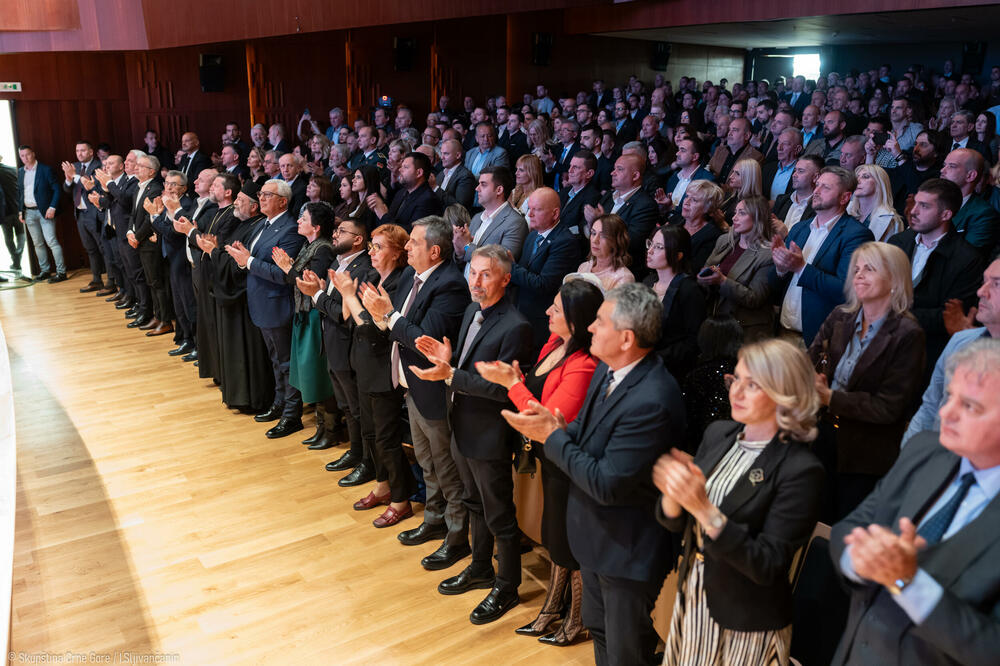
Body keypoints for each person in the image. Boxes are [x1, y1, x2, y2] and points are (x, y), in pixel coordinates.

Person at [502, 282, 685, 666]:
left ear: (626, 338)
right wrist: (550, 424)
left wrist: (550, 436)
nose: (590, 329)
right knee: (600, 633)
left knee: (624, 652)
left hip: (627, 552)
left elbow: (606, 482)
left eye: (600, 322)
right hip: (596, 541)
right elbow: (581, 431)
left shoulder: (652, 398)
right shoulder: (609, 369)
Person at [830, 338, 1000, 666]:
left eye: (970, 406)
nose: (945, 413)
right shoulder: (924, 449)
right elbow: (848, 528)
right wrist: (860, 559)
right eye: (949, 396)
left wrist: (909, 583)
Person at [655, 338, 824, 666]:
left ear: (784, 394)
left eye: (753, 385)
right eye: (736, 379)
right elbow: (680, 523)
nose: (736, 392)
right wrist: (674, 498)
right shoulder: (720, 434)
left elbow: (768, 564)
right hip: (695, 597)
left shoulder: (801, 469)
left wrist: (704, 508)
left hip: (747, 619)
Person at [408, 244, 534, 624]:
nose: (475, 281)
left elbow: (504, 389)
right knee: (474, 503)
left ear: (505, 279)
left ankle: (507, 586)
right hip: (462, 422)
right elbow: (463, 368)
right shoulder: (469, 310)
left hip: (490, 432)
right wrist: (449, 364)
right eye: (473, 272)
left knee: (499, 514)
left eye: (485, 274)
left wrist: (451, 374)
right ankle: (480, 567)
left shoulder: (517, 326)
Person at [478, 278, 602, 645]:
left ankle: (575, 618)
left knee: (567, 543)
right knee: (553, 537)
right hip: (550, 460)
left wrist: (511, 383)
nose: (547, 312)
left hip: (568, 464)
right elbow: (532, 391)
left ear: (578, 321)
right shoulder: (556, 343)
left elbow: (544, 415)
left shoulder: (585, 363)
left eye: (557, 310)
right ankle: (551, 608)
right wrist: (516, 381)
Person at [359, 216, 471, 569]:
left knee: (445, 468)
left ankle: (456, 539)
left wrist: (388, 316)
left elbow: (427, 342)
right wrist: (384, 317)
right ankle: (434, 520)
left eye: (414, 243)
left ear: (434, 250)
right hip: (413, 388)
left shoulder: (449, 285)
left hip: (433, 391)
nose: (407, 247)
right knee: (427, 464)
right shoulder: (417, 278)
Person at [808, 242, 926, 520]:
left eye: (869, 269)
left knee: (837, 537)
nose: (858, 275)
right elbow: (807, 363)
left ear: (895, 280)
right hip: (819, 437)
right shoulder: (841, 316)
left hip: (864, 457)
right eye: (856, 269)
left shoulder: (908, 334)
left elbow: (889, 407)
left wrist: (830, 398)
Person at [326, 224, 417, 527]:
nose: (372, 252)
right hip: (363, 363)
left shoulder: (400, 283)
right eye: (372, 246)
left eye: (379, 247)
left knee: (387, 438)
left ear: (397, 252)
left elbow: (372, 326)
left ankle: (401, 500)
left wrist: (349, 294)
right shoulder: (375, 277)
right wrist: (350, 297)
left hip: (383, 369)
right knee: (369, 433)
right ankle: (383, 486)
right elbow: (356, 320)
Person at [223, 179, 306, 438]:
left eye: (267, 194)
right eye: (260, 194)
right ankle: (279, 404)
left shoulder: (290, 229)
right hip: (261, 302)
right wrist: (244, 257)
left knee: (287, 362)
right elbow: (256, 261)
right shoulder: (263, 223)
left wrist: (247, 260)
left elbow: (283, 274)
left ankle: (293, 415)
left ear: (283, 200)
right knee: (275, 359)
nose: (261, 198)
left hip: (278, 303)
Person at [771, 166, 874, 345]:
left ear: (845, 197)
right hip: (781, 330)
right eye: (817, 185)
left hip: (817, 339)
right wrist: (780, 269)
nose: (816, 191)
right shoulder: (799, 228)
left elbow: (847, 290)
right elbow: (777, 282)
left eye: (825, 188)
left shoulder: (856, 235)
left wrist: (801, 268)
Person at [888, 178, 983, 372]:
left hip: (927, 355)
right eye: (915, 203)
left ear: (946, 214)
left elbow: (951, 316)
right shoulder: (898, 242)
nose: (913, 211)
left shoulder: (967, 258)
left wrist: (894, 312)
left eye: (924, 206)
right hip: (887, 343)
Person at [903, 257, 1000, 444]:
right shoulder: (961, 341)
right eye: (983, 282)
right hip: (936, 459)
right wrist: (909, 458)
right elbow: (930, 408)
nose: (981, 292)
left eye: (996, 284)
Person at [204, 184, 274, 412]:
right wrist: (217, 252)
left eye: (241, 200)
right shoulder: (243, 225)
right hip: (237, 296)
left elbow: (237, 263)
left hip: (245, 298)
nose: (235, 202)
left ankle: (252, 399)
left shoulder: (254, 227)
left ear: (254, 207)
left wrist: (214, 252)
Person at [273, 202, 337, 450]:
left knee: (318, 373)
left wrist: (288, 268)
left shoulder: (324, 250)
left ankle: (330, 430)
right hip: (303, 314)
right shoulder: (309, 245)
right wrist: (290, 269)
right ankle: (321, 427)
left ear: (317, 226)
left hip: (315, 316)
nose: (298, 221)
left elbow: (308, 282)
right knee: (308, 372)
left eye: (304, 218)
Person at [511, 187, 585, 351]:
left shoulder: (565, 242)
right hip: (520, 312)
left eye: (536, 210)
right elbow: (524, 273)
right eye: (529, 208)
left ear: (555, 214)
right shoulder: (532, 236)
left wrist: (509, 266)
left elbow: (544, 284)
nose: (529, 214)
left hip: (541, 321)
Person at [699, 195, 774, 341]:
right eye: (735, 212)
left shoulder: (767, 255)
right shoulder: (724, 241)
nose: (734, 218)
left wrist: (722, 281)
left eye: (742, 213)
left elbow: (755, 298)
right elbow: (706, 269)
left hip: (744, 330)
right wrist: (703, 277)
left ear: (758, 218)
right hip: (715, 320)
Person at [644, 225, 706, 380]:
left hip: (669, 370)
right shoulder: (648, 281)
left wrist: (654, 358)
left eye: (658, 247)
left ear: (678, 256)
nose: (650, 251)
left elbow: (694, 341)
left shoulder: (689, 289)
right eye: (650, 244)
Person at [585, 153, 659, 274]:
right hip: (597, 262)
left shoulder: (646, 205)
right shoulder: (609, 196)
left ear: (635, 175)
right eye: (614, 168)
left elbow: (630, 242)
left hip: (622, 270)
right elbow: (588, 229)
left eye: (619, 169)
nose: (612, 173)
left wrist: (601, 223)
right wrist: (590, 223)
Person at [452, 166, 527, 270]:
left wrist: (466, 246)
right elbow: (464, 261)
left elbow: (501, 265)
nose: (477, 188)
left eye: (483, 184)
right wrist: (459, 251)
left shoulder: (515, 223)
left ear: (499, 190)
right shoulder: (477, 218)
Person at [60, 140, 105, 291]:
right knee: (90, 249)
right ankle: (96, 280)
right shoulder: (76, 167)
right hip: (80, 213)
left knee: (103, 248)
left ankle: (112, 280)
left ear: (91, 152)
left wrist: (74, 176)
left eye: (83, 151)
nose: (79, 154)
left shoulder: (98, 166)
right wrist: (68, 179)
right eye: (77, 151)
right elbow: (68, 190)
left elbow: (92, 187)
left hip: (95, 213)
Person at [16, 146, 65, 282]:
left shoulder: (45, 169)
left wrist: (52, 207)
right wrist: (21, 211)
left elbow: (56, 189)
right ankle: (45, 271)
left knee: (51, 241)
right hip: (28, 212)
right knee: (38, 243)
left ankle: (61, 273)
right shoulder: (20, 172)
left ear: (33, 154)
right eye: (22, 156)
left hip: (45, 211)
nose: (25, 158)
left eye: (27, 155)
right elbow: (20, 193)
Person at [681, 178, 728, 273]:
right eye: (687, 196)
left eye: (694, 200)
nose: (686, 202)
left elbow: (693, 270)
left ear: (707, 208)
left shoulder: (712, 236)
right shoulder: (675, 221)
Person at [577, 213, 634, 291]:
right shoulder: (583, 267)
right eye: (593, 233)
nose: (595, 240)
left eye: (603, 235)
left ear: (616, 240)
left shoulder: (623, 277)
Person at [846, 165, 904, 242]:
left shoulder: (891, 219)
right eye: (857, 177)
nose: (857, 181)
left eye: (865, 177)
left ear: (879, 184)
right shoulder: (844, 209)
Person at [720, 158, 762, 225]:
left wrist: (719, 220)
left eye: (737, 173)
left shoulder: (751, 206)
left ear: (748, 178)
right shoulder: (732, 196)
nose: (731, 176)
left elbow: (737, 233)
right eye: (732, 172)